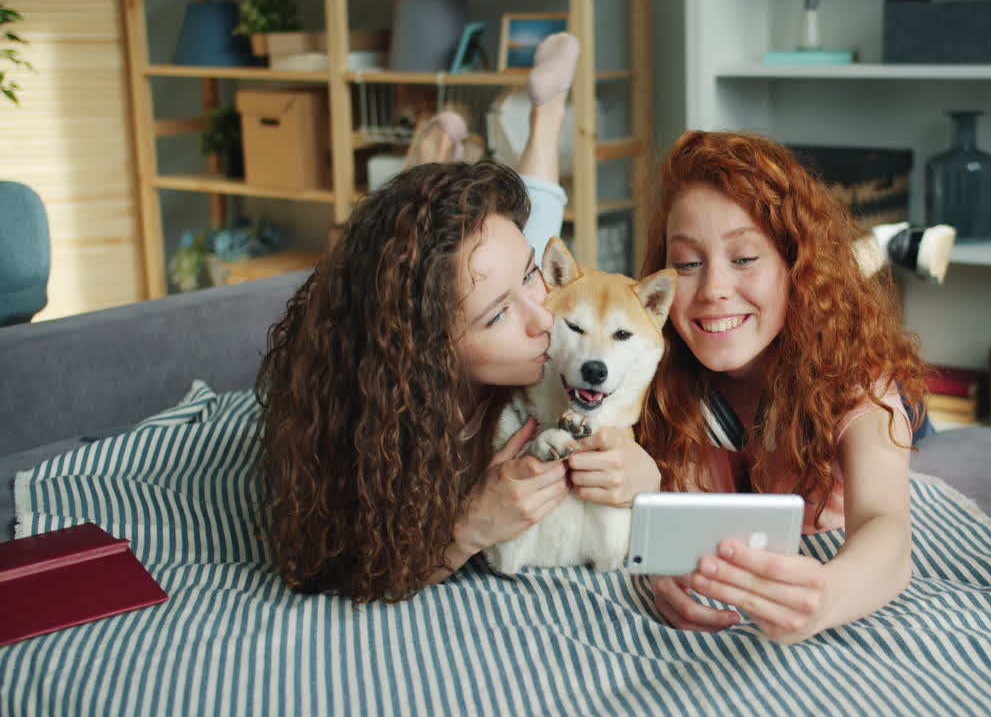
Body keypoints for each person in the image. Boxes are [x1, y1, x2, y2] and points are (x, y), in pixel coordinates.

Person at [255, 33, 660, 603]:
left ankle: (544, 113)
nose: (543, 319)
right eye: (497, 317)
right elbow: (342, 566)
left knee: (535, 226)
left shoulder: (544, 318)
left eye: (529, 279)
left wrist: (648, 479)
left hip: (481, 274)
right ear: (428, 349)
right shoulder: (380, 419)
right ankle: (428, 161)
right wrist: (469, 527)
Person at [634, 130, 929, 644]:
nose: (713, 290)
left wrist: (826, 596)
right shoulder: (649, 372)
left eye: (744, 258)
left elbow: (887, 529)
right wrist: (659, 565)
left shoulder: (856, 383)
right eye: (687, 263)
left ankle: (880, 247)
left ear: (795, 267)